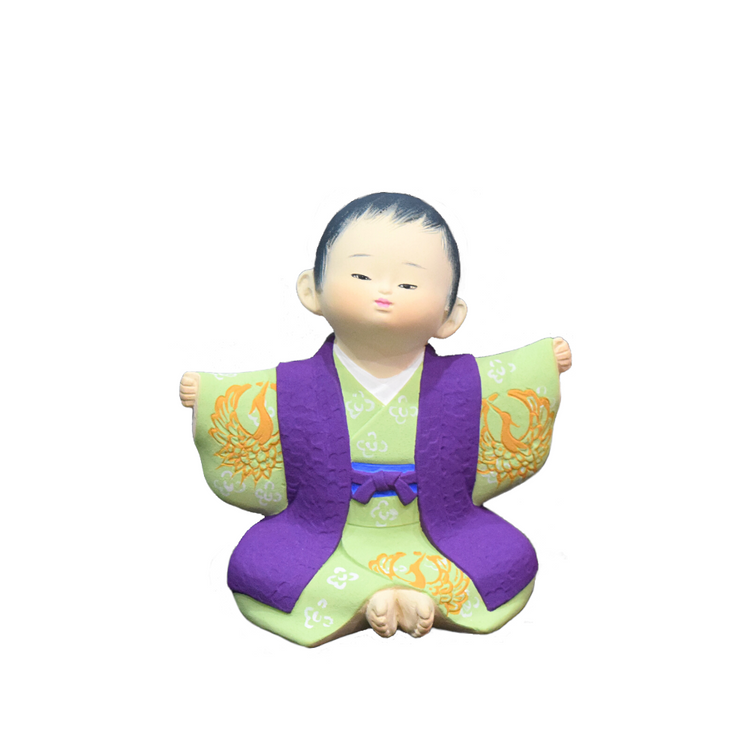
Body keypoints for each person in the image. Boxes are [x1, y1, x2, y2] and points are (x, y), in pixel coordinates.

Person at [180, 192, 572, 646]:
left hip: (438, 527)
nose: (383, 291)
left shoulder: (462, 382)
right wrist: (209, 395)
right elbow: (247, 402)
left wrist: (544, 364)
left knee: (508, 558)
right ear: (311, 291)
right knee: (260, 564)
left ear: (449, 317)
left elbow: (507, 380)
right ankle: (392, 599)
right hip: (323, 529)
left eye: (408, 284)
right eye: (361, 275)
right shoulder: (295, 384)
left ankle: (389, 600)